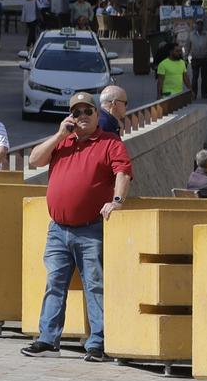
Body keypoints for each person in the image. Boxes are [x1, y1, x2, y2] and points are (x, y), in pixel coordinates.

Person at [20, 91, 131, 362]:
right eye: (76, 112)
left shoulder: (109, 142)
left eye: (87, 111)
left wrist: (116, 201)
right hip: (58, 228)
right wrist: (59, 135)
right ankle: (48, 338)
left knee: (95, 285)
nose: (82, 116)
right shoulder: (63, 141)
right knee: (54, 283)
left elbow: (123, 171)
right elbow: (34, 160)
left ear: (97, 114)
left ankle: (97, 342)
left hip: (90, 228)